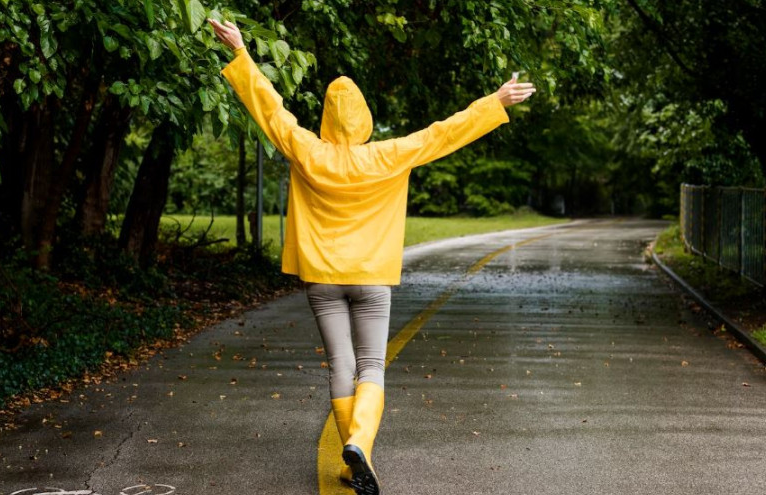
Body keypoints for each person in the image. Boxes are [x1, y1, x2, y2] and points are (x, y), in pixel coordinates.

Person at [209, 18, 535, 495]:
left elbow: (271, 111)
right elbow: (442, 134)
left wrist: (241, 52)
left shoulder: (306, 150)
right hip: (372, 278)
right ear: (363, 117)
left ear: (325, 116)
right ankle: (359, 444)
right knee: (372, 367)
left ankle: (352, 461)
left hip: (322, 279)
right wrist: (494, 102)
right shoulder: (387, 155)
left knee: (341, 367)